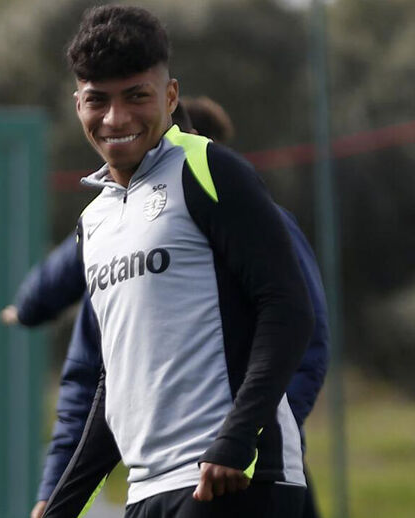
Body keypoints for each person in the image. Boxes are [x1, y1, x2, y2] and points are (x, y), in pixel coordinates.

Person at [41, 6, 314, 517]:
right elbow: (113, 382)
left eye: (136, 96)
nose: (115, 119)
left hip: (232, 478)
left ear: (170, 97)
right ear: (78, 103)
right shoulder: (93, 220)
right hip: (147, 489)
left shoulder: (209, 168)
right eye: (97, 100)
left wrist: (237, 438)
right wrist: (63, 504)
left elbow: (288, 308)